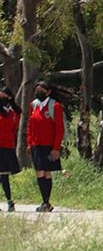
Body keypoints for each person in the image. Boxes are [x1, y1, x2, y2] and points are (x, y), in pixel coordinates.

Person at [27, 80, 64, 213]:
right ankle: (45, 202)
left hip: (48, 145)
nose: (38, 92)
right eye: (37, 89)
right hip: (36, 145)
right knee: (40, 172)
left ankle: (46, 202)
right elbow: (30, 126)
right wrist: (29, 143)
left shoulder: (55, 106)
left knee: (46, 172)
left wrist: (55, 148)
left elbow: (59, 129)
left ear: (48, 92)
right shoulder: (34, 105)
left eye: (41, 90)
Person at [0, 86, 21, 211]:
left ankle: (9, 201)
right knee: (2, 175)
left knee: (3, 174)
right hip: (4, 145)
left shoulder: (13, 112)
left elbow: (13, 128)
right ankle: (9, 201)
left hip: (6, 145)